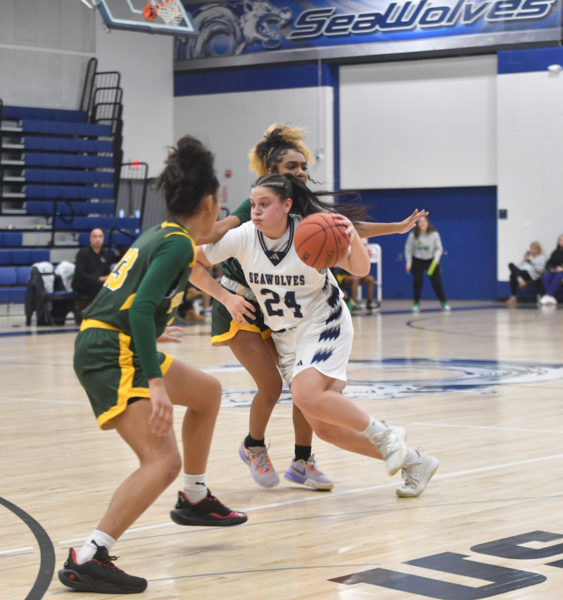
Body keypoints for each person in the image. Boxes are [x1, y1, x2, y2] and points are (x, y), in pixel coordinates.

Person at [58, 136, 247, 595]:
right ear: (208, 200)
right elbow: (141, 309)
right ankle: (90, 555)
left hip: (112, 340)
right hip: (110, 351)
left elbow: (135, 301)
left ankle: (195, 497)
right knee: (161, 461)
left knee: (207, 392)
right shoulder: (178, 246)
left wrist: (264, 194)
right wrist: (157, 386)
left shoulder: (165, 234)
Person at [200, 124, 427, 492]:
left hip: (310, 315)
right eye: (293, 168)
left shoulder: (304, 210)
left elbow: (346, 229)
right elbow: (216, 233)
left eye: (304, 167)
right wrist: (185, 235)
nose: (302, 173)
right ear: (272, 174)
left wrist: (395, 228)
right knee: (288, 395)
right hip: (243, 300)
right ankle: (256, 445)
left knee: (306, 395)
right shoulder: (258, 206)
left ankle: (305, 459)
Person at [404, 216, 450, 312]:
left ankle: (444, 302)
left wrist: (436, 259)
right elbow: (408, 249)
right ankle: (416, 303)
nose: (422, 223)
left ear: (428, 223)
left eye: (424, 221)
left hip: (431, 261)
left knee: (437, 282)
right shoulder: (413, 235)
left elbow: (439, 248)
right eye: (420, 221)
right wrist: (409, 262)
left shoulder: (434, 234)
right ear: (417, 224)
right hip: (417, 260)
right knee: (417, 282)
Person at [72, 228, 112, 300]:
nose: (98, 239)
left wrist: (108, 277)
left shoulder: (105, 253)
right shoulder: (82, 253)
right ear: (90, 239)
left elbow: (107, 271)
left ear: (103, 239)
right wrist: (98, 279)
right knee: (98, 285)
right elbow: (80, 274)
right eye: (95, 236)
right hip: (83, 283)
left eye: (100, 237)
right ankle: (95, 310)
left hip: (99, 283)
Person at [506, 241, 546, 305]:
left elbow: (540, 270)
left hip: (532, 275)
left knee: (513, 275)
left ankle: (513, 296)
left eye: (534, 249)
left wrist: (532, 260)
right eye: (531, 249)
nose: (532, 251)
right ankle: (520, 281)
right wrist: (524, 259)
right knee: (511, 266)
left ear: (538, 249)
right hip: (522, 273)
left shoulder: (542, 257)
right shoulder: (528, 257)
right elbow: (519, 267)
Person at [539, 234, 563, 305]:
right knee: (546, 276)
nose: (562, 242)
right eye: (561, 240)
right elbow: (549, 262)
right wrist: (551, 269)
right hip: (554, 271)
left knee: (558, 277)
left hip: (561, 272)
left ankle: (547, 295)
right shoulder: (555, 252)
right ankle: (551, 297)